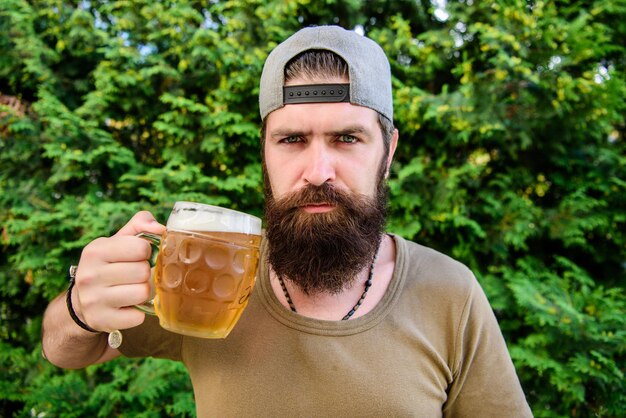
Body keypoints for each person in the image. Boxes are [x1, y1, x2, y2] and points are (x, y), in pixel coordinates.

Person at [42, 25, 533, 417]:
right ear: (265, 153)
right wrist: (81, 308)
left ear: (388, 153)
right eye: (292, 140)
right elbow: (64, 349)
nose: (318, 171)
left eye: (347, 139)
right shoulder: (208, 275)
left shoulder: (451, 291)